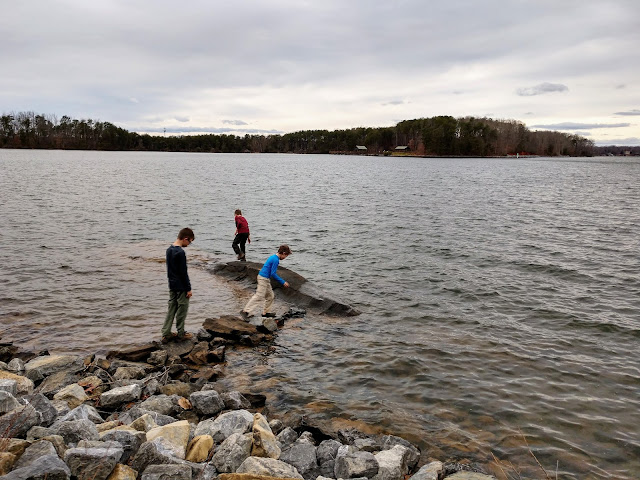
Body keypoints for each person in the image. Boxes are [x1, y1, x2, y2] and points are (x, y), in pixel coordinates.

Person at [162, 227, 195, 343]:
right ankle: (181, 332)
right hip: (181, 286)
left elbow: (170, 270)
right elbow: (183, 272)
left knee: (171, 309)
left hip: (172, 284)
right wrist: (188, 289)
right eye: (190, 241)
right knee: (182, 309)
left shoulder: (169, 250)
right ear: (185, 238)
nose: (189, 244)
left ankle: (166, 332)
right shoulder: (180, 252)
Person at [241, 244, 291, 318]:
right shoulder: (275, 260)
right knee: (259, 296)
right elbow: (273, 273)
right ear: (283, 253)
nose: (285, 258)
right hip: (263, 278)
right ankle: (245, 311)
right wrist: (283, 282)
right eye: (285, 256)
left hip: (265, 278)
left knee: (270, 296)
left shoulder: (273, 257)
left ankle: (266, 313)